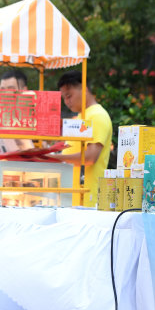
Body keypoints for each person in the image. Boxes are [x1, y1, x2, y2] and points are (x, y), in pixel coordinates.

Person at [53, 70, 112, 207]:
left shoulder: (97, 116)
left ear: (84, 89)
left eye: (69, 96)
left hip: (88, 200)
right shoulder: (82, 117)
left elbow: (90, 157)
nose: (66, 102)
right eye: (64, 98)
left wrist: (54, 158)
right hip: (75, 198)